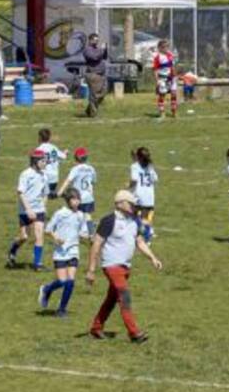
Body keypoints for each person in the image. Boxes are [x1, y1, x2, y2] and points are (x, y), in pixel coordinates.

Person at [86, 189, 162, 342]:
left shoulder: (134, 221)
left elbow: (139, 242)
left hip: (125, 267)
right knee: (124, 297)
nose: (134, 207)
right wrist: (91, 270)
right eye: (131, 204)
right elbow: (96, 244)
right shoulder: (109, 220)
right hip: (111, 265)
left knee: (112, 299)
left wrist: (153, 258)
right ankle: (134, 333)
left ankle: (96, 328)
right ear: (120, 204)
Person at [39, 187, 86, 317]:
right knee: (62, 281)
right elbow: (48, 229)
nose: (77, 202)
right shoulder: (60, 213)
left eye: (78, 199)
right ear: (68, 200)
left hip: (74, 251)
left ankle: (61, 309)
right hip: (60, 252)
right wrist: (56, 238)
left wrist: (88, 238)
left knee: (70, 281)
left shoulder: (81, 215)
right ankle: (47, 289)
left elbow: (83, 233)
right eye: (74, 199)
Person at [8, 149, 49, 271]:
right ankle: (12, 250)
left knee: (39, 235)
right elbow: (20, 193)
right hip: (25, 211)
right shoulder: (26, 174)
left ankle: (38, 264)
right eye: (42, 161)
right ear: (35, 162)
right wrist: (28, 209)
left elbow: (45, 193)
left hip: (39, 210)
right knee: (24, 237)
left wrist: (43, 206)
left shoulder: (44, 175)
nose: (45, 163)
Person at [62, 148, 98, 237]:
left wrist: (61, 191)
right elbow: (94, 181)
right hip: (89, 197)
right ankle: (91, 233)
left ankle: (72, 231)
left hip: (77, 197)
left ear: (75, 158)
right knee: (87, 215)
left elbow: (68, 180)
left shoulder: (75, 169)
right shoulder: (91, 169)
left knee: (73, 213)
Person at [128, 146, 159, 243]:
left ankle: (134, 235)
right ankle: (147, 239)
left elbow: (134, 180)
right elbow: (155, 179)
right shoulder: (150, 167)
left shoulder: (135, 166)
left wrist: (128, 186)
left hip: (139, 195)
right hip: (149, 196)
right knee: (145, 218)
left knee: (132, 215)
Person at [82, 33, 109, 117]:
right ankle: (93, 113)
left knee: (103, 93)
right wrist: (101, 50)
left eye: (97, 40)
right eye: (95, 39)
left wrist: (105, 49)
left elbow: (104, 57)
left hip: (101, 74)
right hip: (93, 74)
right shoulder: (87, 49)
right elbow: (94, 57)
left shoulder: (98, 48)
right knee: (95, 95)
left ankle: (89, 110)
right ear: (90, 40)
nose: (96, 41)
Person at [35, 128, 67, 199]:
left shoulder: (39, 150)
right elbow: (63, 157)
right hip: (54, 178)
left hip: (44, 179)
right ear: (49, 138)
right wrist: (65, 153)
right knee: (48, 195)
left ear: (40, 138)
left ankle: (55, 194)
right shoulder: (53, 148)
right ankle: (54, 193)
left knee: (40, 196)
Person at [151, 39, 179, 118]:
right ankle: (162, 111)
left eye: (167, 47)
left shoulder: (170, 55)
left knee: (174, 93)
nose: (166, 48)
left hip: (171, 78)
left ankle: (174, 110)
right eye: (164, 47)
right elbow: (155, 70)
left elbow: (172, 66)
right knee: (162, 95)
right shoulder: (157, 57)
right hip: (162, 78)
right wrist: (157, 81)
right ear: (159, 48)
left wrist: (175, 75)